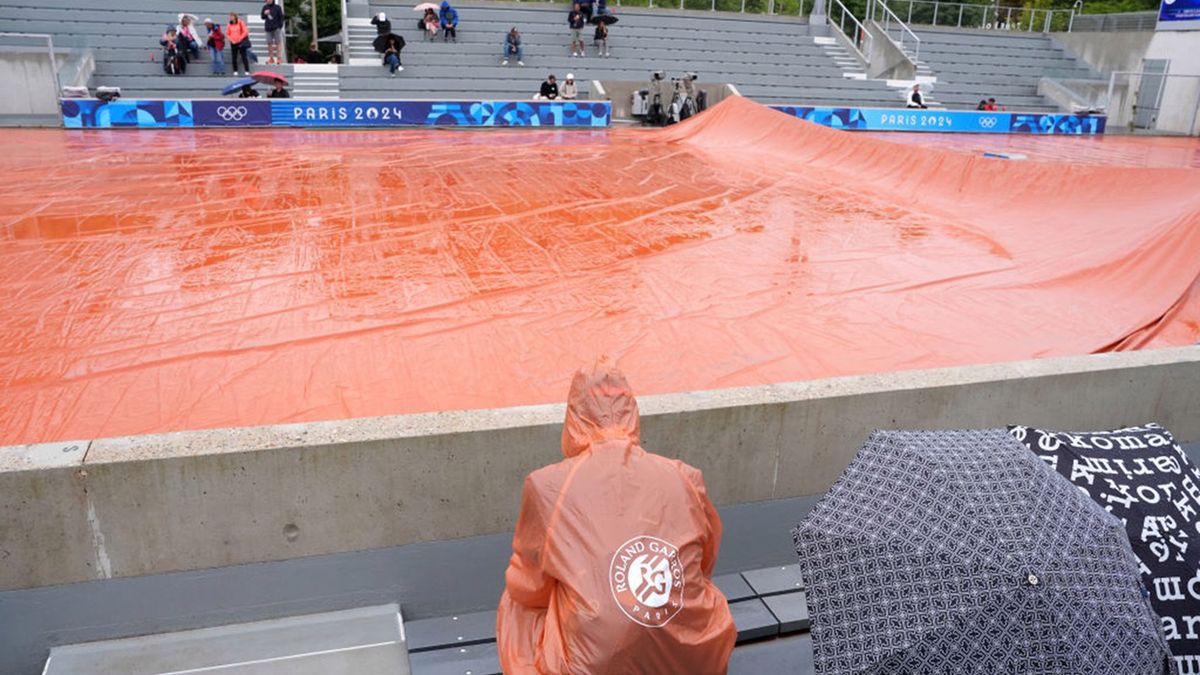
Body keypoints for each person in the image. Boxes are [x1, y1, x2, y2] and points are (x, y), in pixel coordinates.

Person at [496, 359, 737, 674]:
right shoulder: (685, 476)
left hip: (594, 666)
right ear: (633, 413)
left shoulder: (547, 487)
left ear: (573, 418)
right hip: (696, 654)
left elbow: (529, 587)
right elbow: (704, 562)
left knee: (517, 604)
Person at [261, 0, 284, 65]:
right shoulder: (265, 7)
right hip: (268, 28)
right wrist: (265, 14)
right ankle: (271, 58)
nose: (268, 1)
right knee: (269, 43)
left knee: (278, 43)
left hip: (276, 28)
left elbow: (281, 17)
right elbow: (262, 17)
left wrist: (280, 26)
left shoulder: (277, 7)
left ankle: (279, 58)